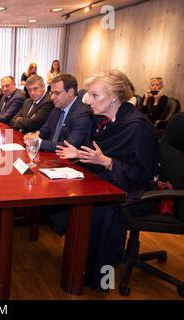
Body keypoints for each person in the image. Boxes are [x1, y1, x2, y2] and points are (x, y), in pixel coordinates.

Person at [55, 70, 159, 288]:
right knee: (66, 195)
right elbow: (99, 156)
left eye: (95, 96)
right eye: (89, 95)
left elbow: (143, 175)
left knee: (96, 209)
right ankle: (80, 264)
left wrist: (109, 163)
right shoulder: (104, 120)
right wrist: (80, 155)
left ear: (113, 97)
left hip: (138, 193)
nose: (88, 101)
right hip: (110, 181)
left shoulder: (136, 127)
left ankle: (102, 279)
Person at [24, 74, 92, 152]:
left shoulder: (83, 113)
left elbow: (69, 146)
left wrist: (38, 143)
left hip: (69, 161)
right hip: (50, 156)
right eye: (51, 93)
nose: (52, 97)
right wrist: (34, 136)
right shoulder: (57, 109)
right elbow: (44, 131)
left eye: (56, 93)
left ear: (70, 92)